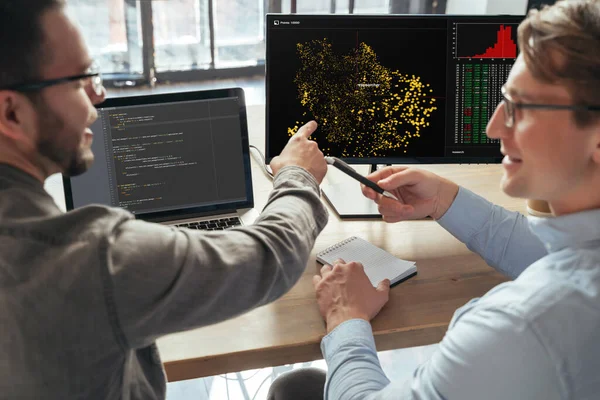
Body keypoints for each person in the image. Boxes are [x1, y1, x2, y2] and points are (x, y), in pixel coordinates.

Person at [269, 0, 600, 399]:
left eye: (521, 107)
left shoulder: (519, 328)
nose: (494, 127)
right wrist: (445, 199)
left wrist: (345, 320)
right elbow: (553, 254)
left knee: (293, 389)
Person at [0, 1, 329, 399]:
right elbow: (269, 259)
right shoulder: (90, 256)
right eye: (77, 81)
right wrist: (299, 175)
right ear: (11, 113)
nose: (98, 96)